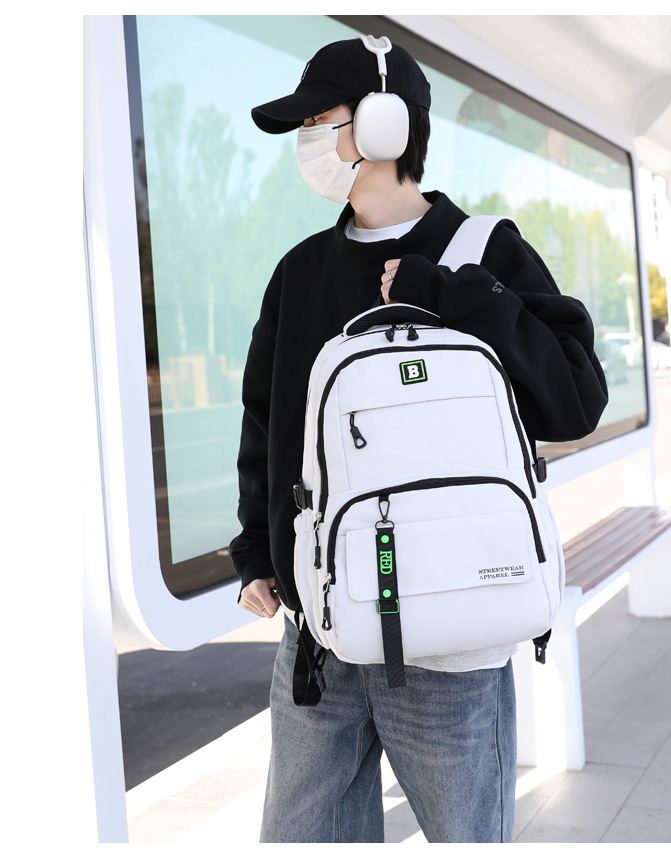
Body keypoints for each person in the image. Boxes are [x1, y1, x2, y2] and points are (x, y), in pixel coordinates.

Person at [229, 36, 608, 843]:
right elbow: (268, 421)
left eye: (318, 120)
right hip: (319, 638)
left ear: (384, 124)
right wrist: (256, 551)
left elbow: (575, 400)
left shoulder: (485, 253)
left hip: (450, 646)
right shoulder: (299, 273)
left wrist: (458, 296)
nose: (306, 141)